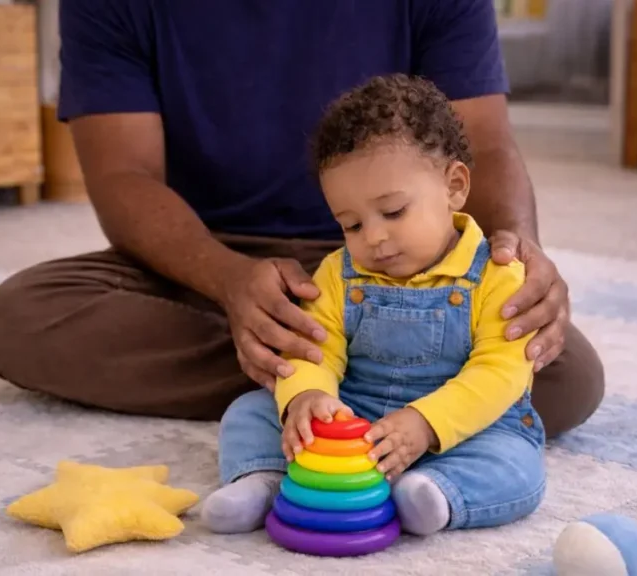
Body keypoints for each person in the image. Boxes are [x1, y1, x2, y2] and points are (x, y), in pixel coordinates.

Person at [0, 1, 604, 438]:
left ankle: (313, 382)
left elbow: (483, 146)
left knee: (561, 371)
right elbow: (123, 177)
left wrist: (518, 257)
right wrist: (228, 280)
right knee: (22, 316)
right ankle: (372, 376)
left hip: (406, 269)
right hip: (210, 262)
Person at [201, 73, 546, 536]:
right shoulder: (339, 274)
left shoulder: (499, 275)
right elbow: (313, 346)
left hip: (465, 430)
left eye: (394, 212)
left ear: (455, 186)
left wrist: (425, 424)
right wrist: (309, 397)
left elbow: (499, 374)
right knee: (250, 412)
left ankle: (436, 493)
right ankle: (264, 479)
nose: (375, 238)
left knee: (515, 462)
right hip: (355, 418)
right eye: (351, 224)